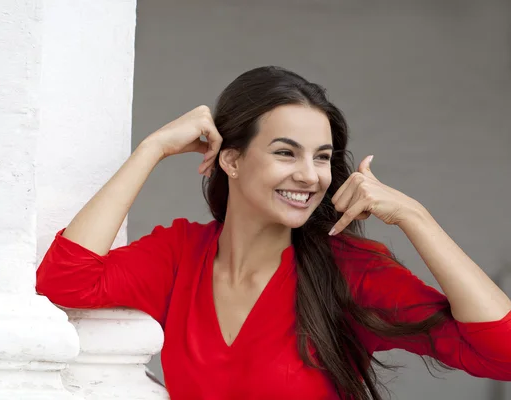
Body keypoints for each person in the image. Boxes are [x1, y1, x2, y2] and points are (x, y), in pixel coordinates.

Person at [36, 66, 511, 400]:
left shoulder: (347, 271)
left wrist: (416, 217)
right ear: (232, 159)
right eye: (286, 152)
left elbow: (502, 354)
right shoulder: (181, 254)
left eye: (322, 157)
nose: (310, 175)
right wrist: (152, 149)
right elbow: (65, 279)